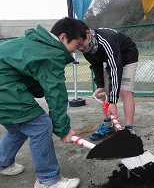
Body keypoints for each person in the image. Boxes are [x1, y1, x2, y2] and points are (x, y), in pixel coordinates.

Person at [0, 17, 87, 188]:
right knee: (41, 126)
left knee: (18, 129)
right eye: (77, 45)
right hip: (5, 89)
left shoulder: (36, 43)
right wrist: (63, 130)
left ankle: (3, 162)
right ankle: (48, 180)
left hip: (6, 87)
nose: (76, 50)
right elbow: (56, 93)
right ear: (63, 37)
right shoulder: (51, 53)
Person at [78, 22, 139, 141]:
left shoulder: (106, 40)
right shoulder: (85, 48)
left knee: (125, 91)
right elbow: (96, 65)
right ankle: (108, 125)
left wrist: (113, 102)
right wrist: (100, 86)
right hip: (111, 60)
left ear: (88, 34)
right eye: (78, 46)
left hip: (127, 57)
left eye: (81, 44)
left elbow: (116, 67)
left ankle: (128, 129)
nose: (81, 48)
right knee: (105, 92)